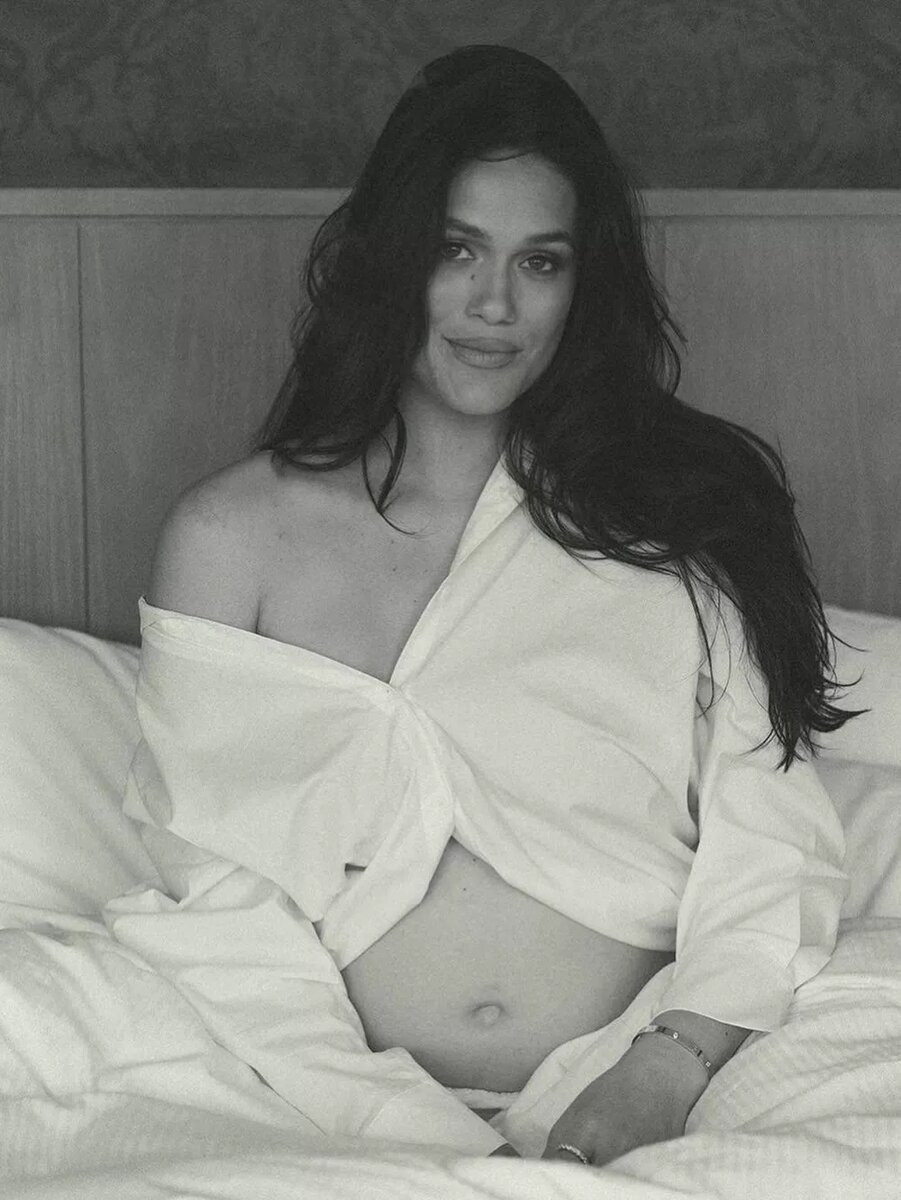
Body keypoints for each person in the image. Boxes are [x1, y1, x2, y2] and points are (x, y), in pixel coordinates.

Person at [104, 45, 858, 1167]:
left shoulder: (676, 524)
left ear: (581, 287)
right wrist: (393, 1124)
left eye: (539, 262)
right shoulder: (231, 538)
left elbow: (770, 839)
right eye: (455, 249)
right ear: (389, 260)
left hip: (649, 1087)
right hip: (318, 1103)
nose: (495, 304)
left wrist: (659, 1071)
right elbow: (215, 892)